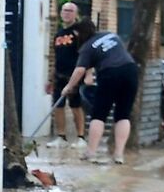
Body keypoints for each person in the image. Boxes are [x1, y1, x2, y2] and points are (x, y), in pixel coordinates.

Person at [55, 28, 139, 165]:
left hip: (109, 74)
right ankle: (118, 155)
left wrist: (68, 87)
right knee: (123, 115)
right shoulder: (110, 34)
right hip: (130, 71)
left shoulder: (87, 47)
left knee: (99, 115)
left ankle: (91, 153)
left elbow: (79, 70)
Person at [51, 1, 93, 144]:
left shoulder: (79, 32)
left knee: (76, 106)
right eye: (64, 10)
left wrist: (88, 74)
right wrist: (50, 78)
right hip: (59, 75)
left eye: (70, 11)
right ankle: (61, 136)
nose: (67, 13)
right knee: (58, 106)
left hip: (75, 75)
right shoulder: (58, 34)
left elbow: (88, 55)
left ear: (75, 14)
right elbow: (55, 56)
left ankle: (81, 137)